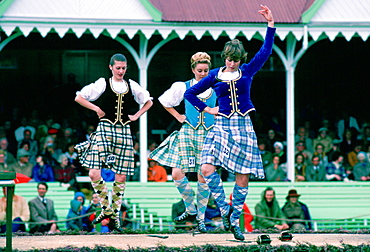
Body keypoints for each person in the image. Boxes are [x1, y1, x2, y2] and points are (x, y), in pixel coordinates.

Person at [184, 5, 275, 241]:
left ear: (240, 59)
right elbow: (190, 94)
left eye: (235, 60)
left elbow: (265, 51)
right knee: (205, 168)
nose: (231, 63)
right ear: (224, 57)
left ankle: (235, 221)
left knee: (242, 176)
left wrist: (270, 24)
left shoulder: (246, 70)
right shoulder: (214, 74)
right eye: (228, 59)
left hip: (243, 125)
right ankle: (225, 208)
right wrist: (207, 108)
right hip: (222, 125)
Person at [74, 53, 153, 231]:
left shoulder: (131, 85)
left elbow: (148, 101)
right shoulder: (103, 83)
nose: (121, 71)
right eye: (118, 67)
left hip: (124, 129)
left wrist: (136, 116)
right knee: (94, 172)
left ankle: (114, 215)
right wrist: (97, 109)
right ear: (111, 67)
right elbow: (79, 97)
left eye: (123, 68)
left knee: (122, 175)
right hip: (105, 127)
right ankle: (106, 208)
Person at [149, 52, 216, 233]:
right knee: (177, 171)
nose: (203, 73)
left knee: (204, 175)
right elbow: (164, 101)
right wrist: (178, 116)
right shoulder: (184, 86)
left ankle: (201, 218)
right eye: (200, 70)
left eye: (205, 70)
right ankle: (190, 207)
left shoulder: (217, 87)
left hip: (209, 134)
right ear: (193, 69)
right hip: (188, 131)